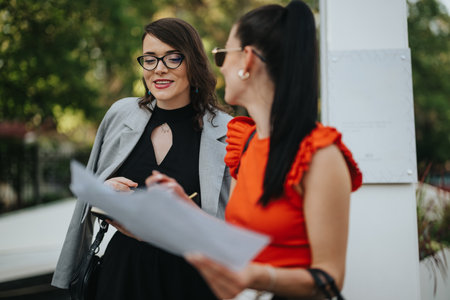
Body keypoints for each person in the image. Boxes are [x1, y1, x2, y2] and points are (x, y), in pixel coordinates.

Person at [146, 1, 363, 299]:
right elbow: (236, 238)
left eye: (222, 56)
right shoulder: (245, 143)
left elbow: (330, 279)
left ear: (246, 61)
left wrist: (258, 276)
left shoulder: (320, 155)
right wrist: (184, 206)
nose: (219, 67)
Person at [52, 18, 232, 300]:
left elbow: (234, 228)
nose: (159, 68)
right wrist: (105, 193)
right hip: (122, 276)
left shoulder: (227, 131)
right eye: (150, 59)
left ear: (193, 63)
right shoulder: (120, 115)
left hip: (192, 282)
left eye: (173, 58)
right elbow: (88, 198)